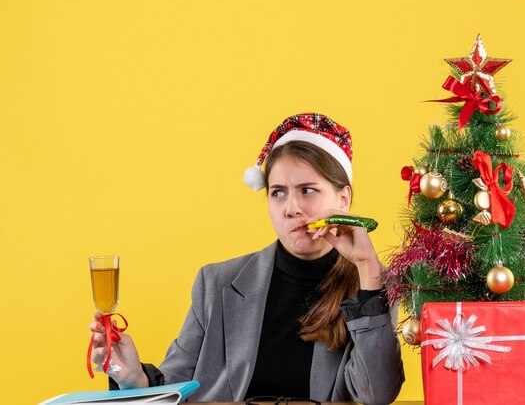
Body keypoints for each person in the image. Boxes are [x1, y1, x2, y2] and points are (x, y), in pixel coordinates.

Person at [89, 113, 404, 404]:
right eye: (277, 192)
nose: (291, 207)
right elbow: (174, 388)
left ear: (343, 198)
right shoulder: (216, 283)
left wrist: (367, 270)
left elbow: (377, 394)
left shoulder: (373, 285)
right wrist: (133, 377)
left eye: (307, 190)